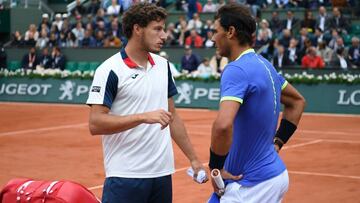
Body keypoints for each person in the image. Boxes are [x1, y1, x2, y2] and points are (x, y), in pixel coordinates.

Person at [86, 3, 207, 203]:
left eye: (164, 29)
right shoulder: (109, 70)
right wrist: (143, 117)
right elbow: (95, 123)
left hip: (161, 175)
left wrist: (193, 159)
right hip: (125, 175)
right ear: (137, 29)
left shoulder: (163, 66)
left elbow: (172, 116)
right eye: (157, 29)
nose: (165, 35)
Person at [208, 4, 305, 203]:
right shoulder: (266, 65)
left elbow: (222, 125)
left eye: (215, 31)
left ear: (231, 32)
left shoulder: (236, 70)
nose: (212, 38)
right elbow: (297, 101)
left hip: (250, 185)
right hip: (273, 177)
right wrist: (278, 143)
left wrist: (215, 168)